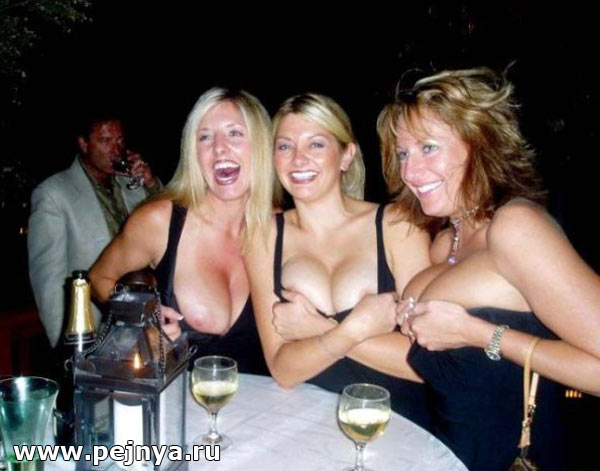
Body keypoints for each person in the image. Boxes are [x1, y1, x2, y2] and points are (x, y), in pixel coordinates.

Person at [377, 67, 600, 469]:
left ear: (479, 143)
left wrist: (478, 333)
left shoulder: (515, 228)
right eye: (403, 153)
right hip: (446, 454)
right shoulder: (445, 242)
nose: (409, 171)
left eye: (428, 147)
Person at [244, 93, 433, 428]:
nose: (298, 159)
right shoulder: (262, 236)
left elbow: (426, 364)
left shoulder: (396, 225)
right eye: (285, 146)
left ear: (347, 155)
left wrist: (318, 329)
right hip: (308, 422)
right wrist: (355, 329)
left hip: (397, 422)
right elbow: (283, 369)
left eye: (316, 144)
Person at [90, 88, 272, 375]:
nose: (219, 148)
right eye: (205, 137)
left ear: (261, 145)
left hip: (262, 402)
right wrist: (140, 322)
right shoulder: (161, 221)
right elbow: (97, 278)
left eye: (235, 133)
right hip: (176, 398)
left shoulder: (279, 226)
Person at [28, 114, 161, 348]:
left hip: (147, 323)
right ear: (83, 143)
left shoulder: (131, 186)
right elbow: (48, 284)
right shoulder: (54, 194)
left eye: (120, 141)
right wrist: (70, 348)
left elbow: (171, 224)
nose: (116, 150)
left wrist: (151, 184)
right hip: (97, 331)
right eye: (105, 141)